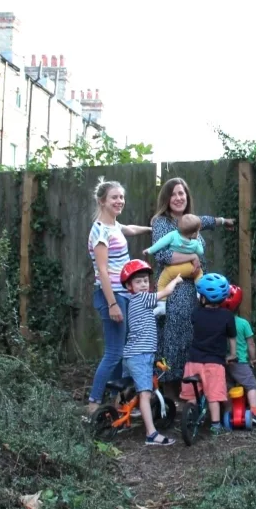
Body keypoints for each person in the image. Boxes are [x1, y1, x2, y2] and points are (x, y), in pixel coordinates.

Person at [148, 178, 235, 387]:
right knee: (173, 336)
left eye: (182, 193)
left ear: (187, 196)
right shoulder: (162, 223)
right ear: (166, 199)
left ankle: (189, 385)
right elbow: (162, 255)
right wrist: (191, 258)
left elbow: (206, 220)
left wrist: (225, 221)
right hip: (174, 287)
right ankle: (168, 386)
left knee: (193, 336)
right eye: (174, 194)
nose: (178, 198)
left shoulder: (191, 220)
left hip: (196, 291)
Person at [85, 178, 152, 417]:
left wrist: (151, 228)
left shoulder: (113, 225)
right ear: (102, 201)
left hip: (123, 295)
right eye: (114, 197)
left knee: (121, 351)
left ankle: (114, 403)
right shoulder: (100, 230)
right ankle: (93, 404)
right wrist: (112, 302)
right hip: (111, 296)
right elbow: (102, 270)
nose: (119, 201)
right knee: (114, 352)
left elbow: (129, 229)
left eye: (121, 197)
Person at [117, 259, 182, 446]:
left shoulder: (133, 302)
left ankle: (121, 416)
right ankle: (151, 434)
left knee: (129, 388)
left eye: (145, 280)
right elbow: (166, 293)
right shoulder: (144, 299)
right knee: (145, 394)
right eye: (138, 282)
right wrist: (175, 280)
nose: (143, 284)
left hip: (132, 354)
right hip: (141, 355)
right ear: (129, 286)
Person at [181, 273, 237, 436]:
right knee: (213, 396)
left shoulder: (196, 313)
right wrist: (232, 354)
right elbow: (232, 338)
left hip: (193, 362)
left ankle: (189, 416)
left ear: (203, 298)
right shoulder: (227, 316)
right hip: (214, 363)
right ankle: (215, 426)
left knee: (192, 395)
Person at [220, 284, 256, 427]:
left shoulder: (219, 323)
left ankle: (227, 413)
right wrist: (253, 359)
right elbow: (251, 344)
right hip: (240, 362)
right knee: (251, 385)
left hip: (223, 361)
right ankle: (255, 413)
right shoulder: (243, 323)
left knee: (227, 387)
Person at [145, 213, 204, 288]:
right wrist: (198, 240)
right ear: (194, 233)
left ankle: (161, 299)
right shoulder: (195, 243)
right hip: (190, 268)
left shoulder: (173, 235)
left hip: (172, 269)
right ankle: (199, 291)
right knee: (199, 274)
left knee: (162, 283)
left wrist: (150, 250)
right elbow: (201, 252)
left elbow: (160, 243)